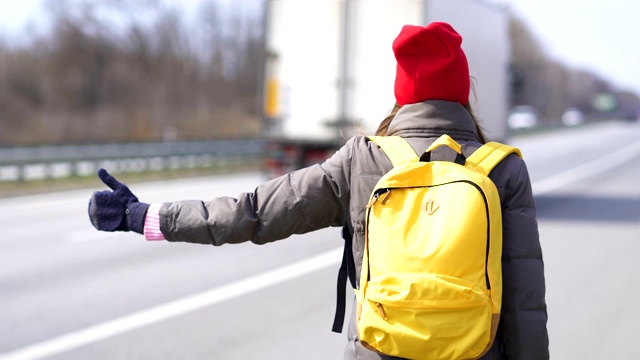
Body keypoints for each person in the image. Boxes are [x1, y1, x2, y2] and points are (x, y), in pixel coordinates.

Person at [89, 22, 549, 359]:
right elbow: (525, 304)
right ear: (461, 92)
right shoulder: (502, 169)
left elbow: (255, 213)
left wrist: (146, 216)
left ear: (402, 95)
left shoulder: (362, 158)